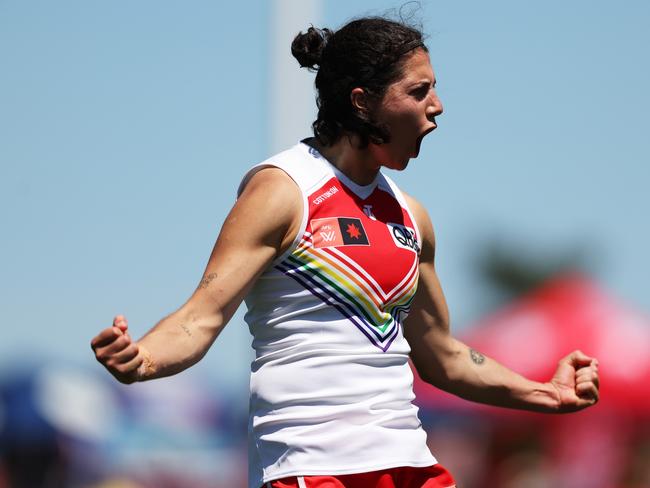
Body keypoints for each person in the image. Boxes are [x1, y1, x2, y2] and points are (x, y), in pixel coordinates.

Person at [90, 16, 600, 488]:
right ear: (362, 102)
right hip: (311, 467)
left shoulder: (411, 216)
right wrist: (145, 359)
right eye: (419, 91)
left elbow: (442, 356)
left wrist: (546, 394)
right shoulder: (283, 190)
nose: (437, 106)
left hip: (409, 463)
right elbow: (199, 318)